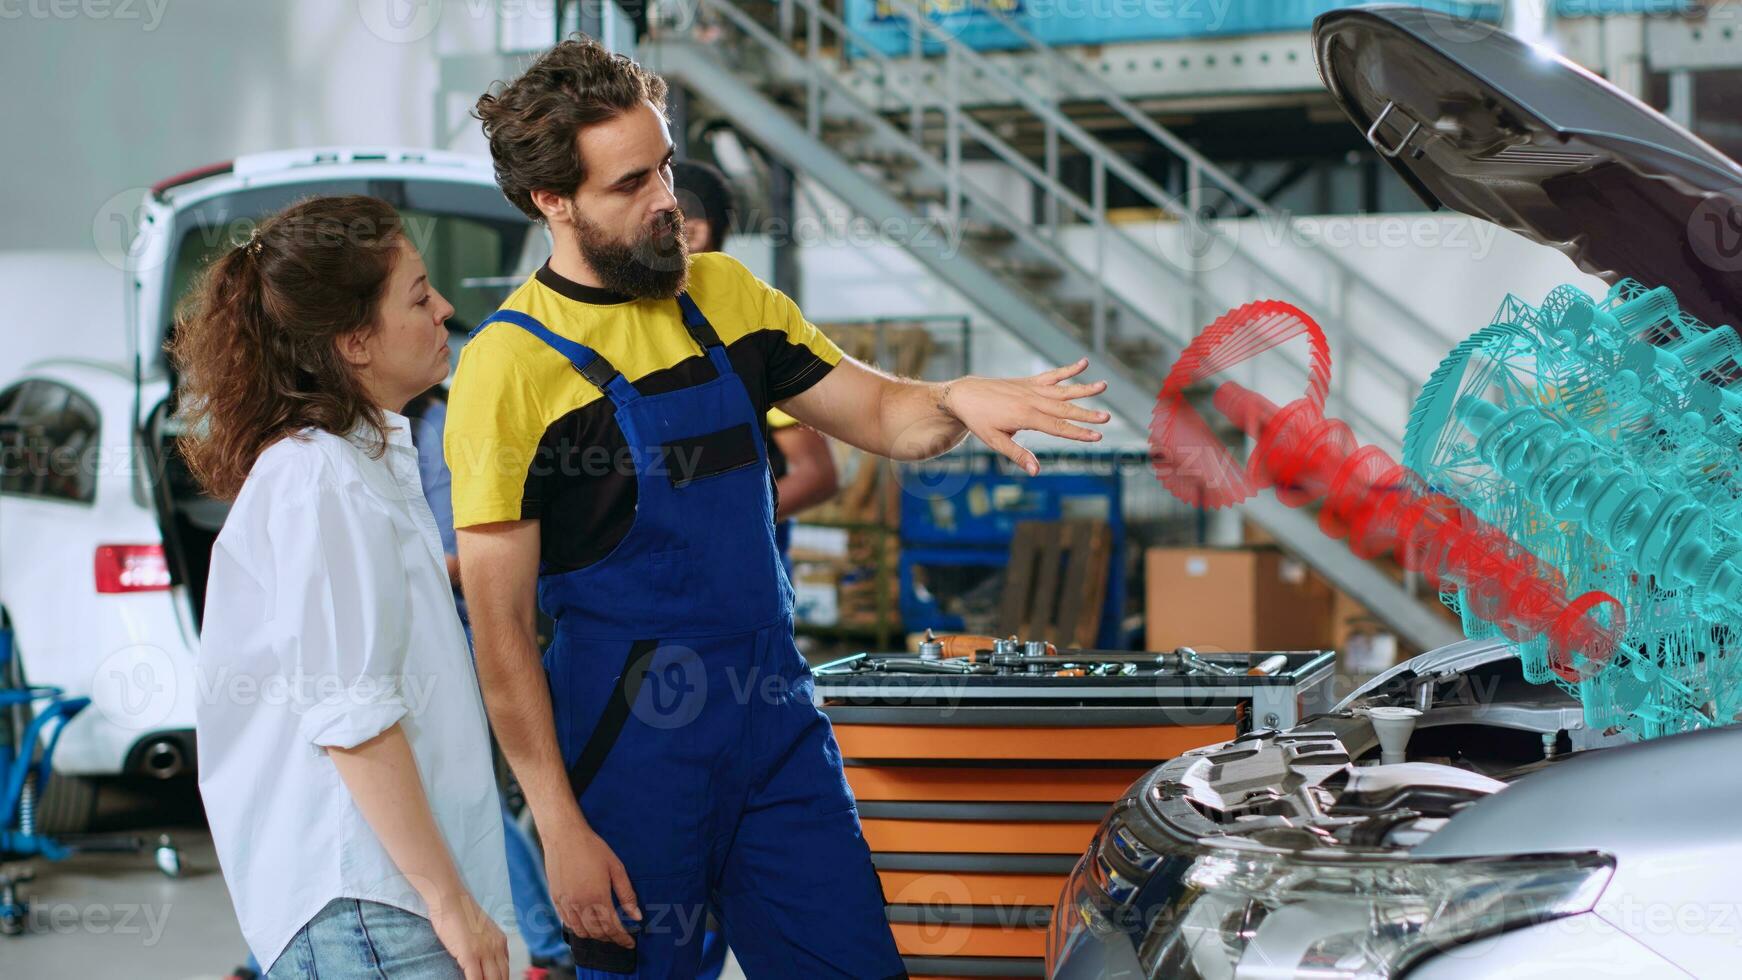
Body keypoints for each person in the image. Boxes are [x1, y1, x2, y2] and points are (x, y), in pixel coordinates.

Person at [449, 37, 1108, 977]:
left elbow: (882, 413)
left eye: (665, 165)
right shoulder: (507, 371)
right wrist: (556, 822)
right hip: (627, 744)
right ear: (552, 201)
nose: (666, 199)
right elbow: (502, 630)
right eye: (630, 183)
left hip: (771, 720)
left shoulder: (726, 296)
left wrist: (956, 398)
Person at [176, 196, 513, 980]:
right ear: (355, 341)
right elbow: (351, 715)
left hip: (388, 897)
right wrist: (450, 903)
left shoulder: (358, 463)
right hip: (371, 904)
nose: (445, 310)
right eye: (420, 294)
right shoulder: (316, 478)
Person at [406, 385, 578, 980]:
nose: (441, 311)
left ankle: (554, 949)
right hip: (419, 643)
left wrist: (383, 562)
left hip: (455, 639)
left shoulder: (435, 428)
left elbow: (468, 558)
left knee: (463, 792)